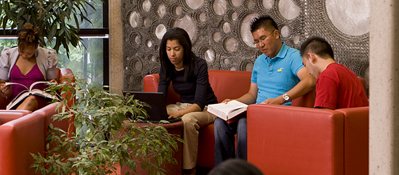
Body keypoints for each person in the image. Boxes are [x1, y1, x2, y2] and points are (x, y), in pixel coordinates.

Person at [213, 16, 315, 165]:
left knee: (243, 123)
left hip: (280, 116)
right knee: (220, 123)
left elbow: (310, 81)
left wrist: (280, 100)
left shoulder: (293, 56)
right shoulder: (260, 61)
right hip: (256, 113)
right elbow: (252, 95)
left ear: (276, 34)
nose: (260, 45)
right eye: (256, 41)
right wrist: (234, 102)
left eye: (263, 38)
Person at [157, 28, 219, 175]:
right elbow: (160, 97)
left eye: (176, 49)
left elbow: (199, 103)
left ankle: (189, 169)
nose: (172, 54)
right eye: (169, 49)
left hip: (207, 108)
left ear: (185, 48)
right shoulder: (166, 66)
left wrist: (178, 113)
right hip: (183, 106)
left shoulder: (200, 65)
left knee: (188, 120)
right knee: (155, 116)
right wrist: (156, 111)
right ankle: (161, 165)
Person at [0, 24, 59, 111]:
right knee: (28, 102)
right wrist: (2, 88)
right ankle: (17, 121)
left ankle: (13, 122)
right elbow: (1, 83)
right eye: (21, 51)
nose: (24, 56)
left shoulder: (47, 56)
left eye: (29, 53)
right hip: (16, 102)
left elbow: (53, 84)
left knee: (31, 99)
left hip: (40, 102)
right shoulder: (8, 55)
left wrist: (53, 84)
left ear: (36, 47)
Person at [299, 37, 369, 109]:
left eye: (305, 65)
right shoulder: (347, 71)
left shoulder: (326, 76)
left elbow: (323, 116)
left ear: (311, 57)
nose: (308, 72)